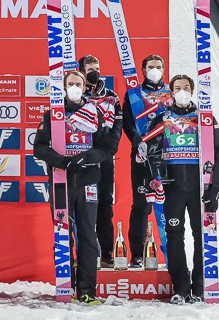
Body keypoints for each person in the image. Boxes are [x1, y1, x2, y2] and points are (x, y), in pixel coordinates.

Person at [33, 70, 119, 305]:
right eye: (70, 84)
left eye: (78, 84)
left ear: (84, 88)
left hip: (88, 180)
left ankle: (87, 290)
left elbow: (107, 147)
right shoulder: (53, 113)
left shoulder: (94, 112)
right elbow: (39, 147)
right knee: (63, 233)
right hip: (61, 180)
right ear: (63, 87)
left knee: (88, 235)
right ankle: (66, 286)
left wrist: (86, 157)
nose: (74, 88)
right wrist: (62, 161)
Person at [156, 75, 219, 304]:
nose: (182, 92)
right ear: (171, 92)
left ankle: (199, 287)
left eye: (186, 88)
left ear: (193, 91)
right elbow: (150, 151)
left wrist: (216, 187)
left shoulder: (204, 118)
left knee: (201, 236)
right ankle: (181, 287)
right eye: (178, 88)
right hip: (173, 189)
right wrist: (154, 180)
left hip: (199, 190)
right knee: (174, 236)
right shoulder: (163, 118)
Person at [78, 55, 137, 269]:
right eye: (90, 69)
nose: (94, 72)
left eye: (97, 67)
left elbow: (118, 126)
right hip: (82, 157)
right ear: (81, 71)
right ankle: (84, 256)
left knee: (105, 205)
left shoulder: (110, 96)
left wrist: (109, 149)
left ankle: (107, 253)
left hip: (104, 158)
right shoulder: (77, 94)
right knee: (83, 208)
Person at [122, 54, 172, 269]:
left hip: (167, 156)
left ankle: (171, 252)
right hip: (142, 156)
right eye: (151, 66)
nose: (155, 70)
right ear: (143, 70)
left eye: (158, 67)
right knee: (141, 205)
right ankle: (137, 254)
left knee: (169, 204)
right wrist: (136, 141)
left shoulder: (171, 92)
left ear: (163, 69)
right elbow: (127, 122)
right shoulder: (134, 93)